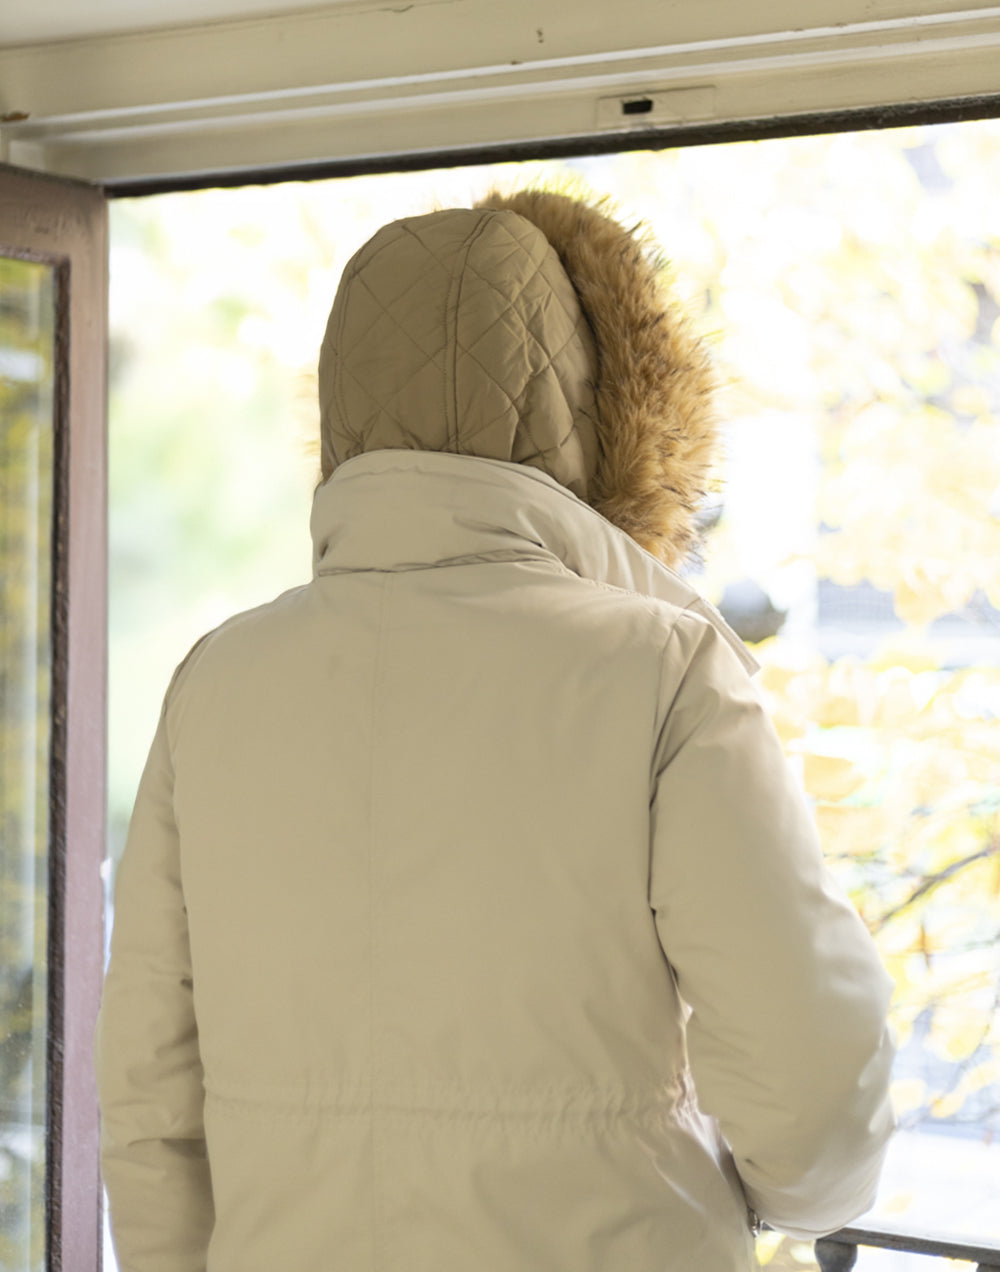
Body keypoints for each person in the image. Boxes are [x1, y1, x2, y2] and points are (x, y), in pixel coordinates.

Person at [95, 188, 896, 1272]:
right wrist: (782, 1201)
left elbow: (148, 1095)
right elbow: (815, 1085)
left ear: (339, 408)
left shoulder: (216, 683)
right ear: (600, 413)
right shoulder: (662, 670)